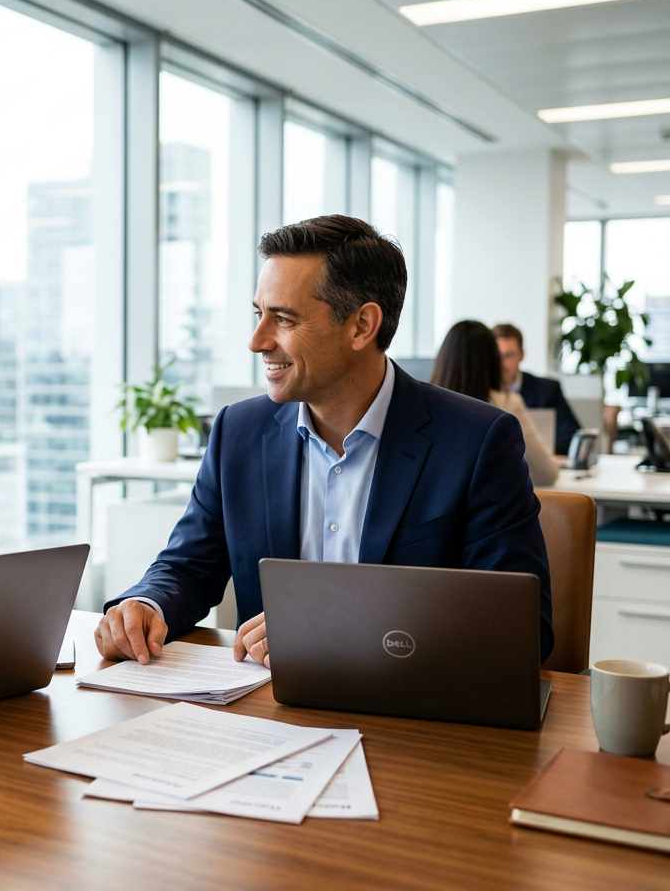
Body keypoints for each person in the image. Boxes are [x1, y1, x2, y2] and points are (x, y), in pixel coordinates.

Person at [94, 215, 553, 671]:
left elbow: (523, 629)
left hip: (408, 713)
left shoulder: (476, 440)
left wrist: (339, 625)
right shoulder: (239, 430)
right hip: (267, 712)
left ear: (361, 325)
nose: (257, 342)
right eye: (259, 315)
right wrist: (146, 603)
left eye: (284, 319)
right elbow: (189, 565)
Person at [431, 321, 560, 486]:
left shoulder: (424, 404)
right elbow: (546, 473)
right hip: (486, 509)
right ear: (491, 361)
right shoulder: (506, 404)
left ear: (443, 359)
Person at [492, 323, 581, 455]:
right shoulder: (480, 392)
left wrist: (535, 447)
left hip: (538, 465)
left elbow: (571, 435)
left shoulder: (546, 390)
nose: (502, 363)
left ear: (521, 355)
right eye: (497, 356)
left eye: (509, 355)